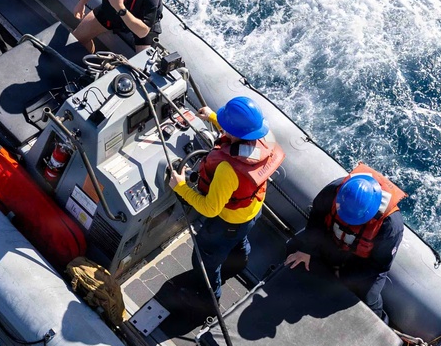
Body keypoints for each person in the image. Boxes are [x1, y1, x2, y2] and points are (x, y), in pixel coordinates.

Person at [169, 97, 285, 302]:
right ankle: (239, 263)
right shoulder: (265, 139)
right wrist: (214, 118)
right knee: (239, 240)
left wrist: (181, 187)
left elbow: (210, 209)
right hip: (253, 211)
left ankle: (209, 296)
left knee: (205, 260)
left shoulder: (227, 169)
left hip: (227, 223)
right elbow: (239, 136)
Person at [284, 166, 406, 320]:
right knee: (293, 249)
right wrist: (307, 249)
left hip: (363, 262)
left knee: (370, 300)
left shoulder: (390, 225)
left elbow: (379, 264)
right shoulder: (333, 190)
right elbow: (317, 217)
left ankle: (383, 326)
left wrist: (343, 275)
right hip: (332, 240)